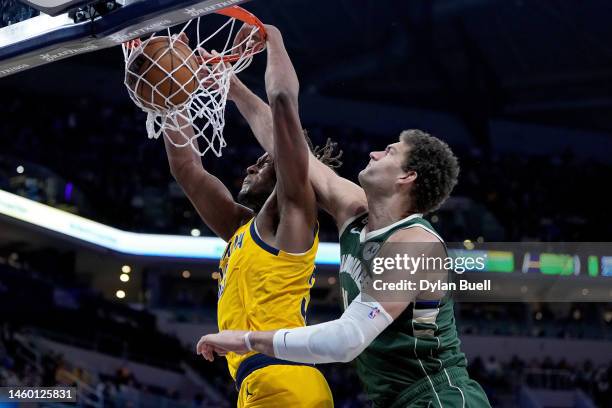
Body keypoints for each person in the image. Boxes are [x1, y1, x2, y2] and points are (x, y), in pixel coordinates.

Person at [197, 25, 491, 408]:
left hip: (440, 398)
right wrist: (230, 84)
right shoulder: (354, 209)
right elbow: (288, 146)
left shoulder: (414, 244)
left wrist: (248, 339)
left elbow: (347, 339)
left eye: (388, 151)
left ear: (408, 177)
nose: (373, 154)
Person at [159, 29, 335, 407]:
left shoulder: (293, 215)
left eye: (266, 161)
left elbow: (285, 111)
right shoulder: (242, 228)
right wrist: (169, 95)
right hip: (261, 382)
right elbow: (187, 168)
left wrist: (267, 44)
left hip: (284, 378)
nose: (253, 164)